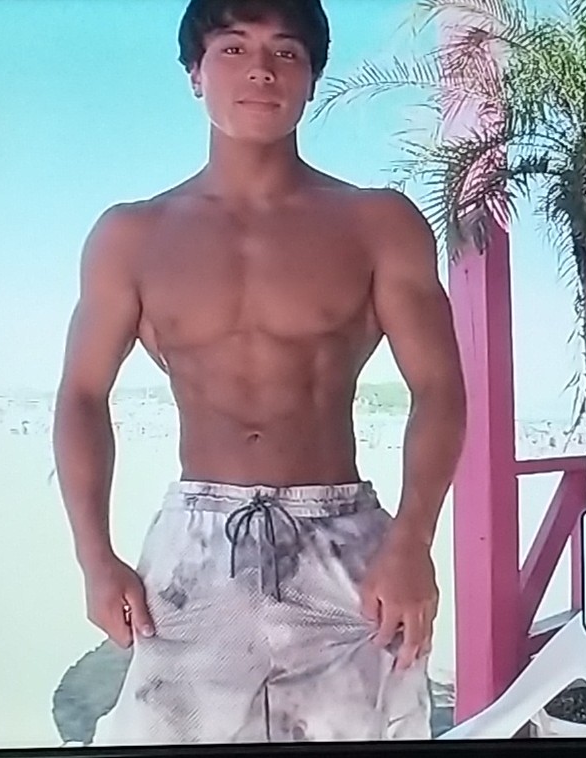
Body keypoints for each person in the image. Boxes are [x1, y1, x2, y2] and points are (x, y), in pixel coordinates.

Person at [53, 0, 466, 744]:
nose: (261, 71)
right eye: (234, 48)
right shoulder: (131, 235)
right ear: (194, 73)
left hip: (343, 540)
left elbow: (438, 388)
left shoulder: (377, 223)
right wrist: (94, 556)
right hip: (197, 541)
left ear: (311, 78)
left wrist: (412, 543)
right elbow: (83, 394)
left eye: (285, 52)